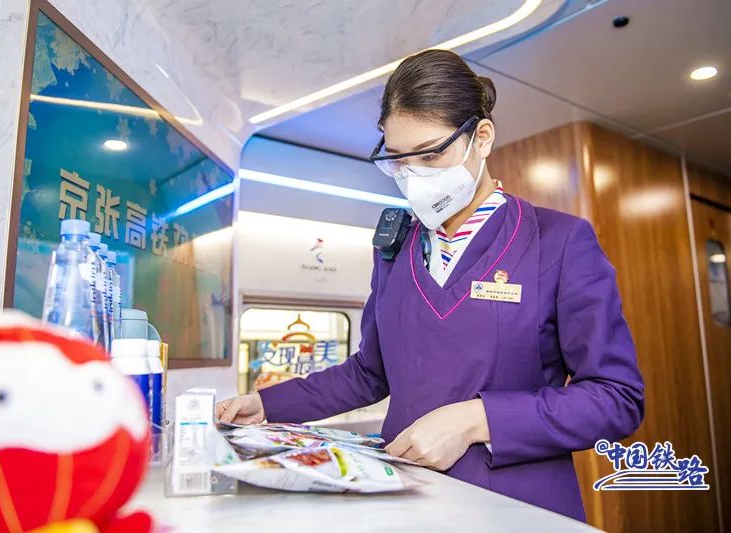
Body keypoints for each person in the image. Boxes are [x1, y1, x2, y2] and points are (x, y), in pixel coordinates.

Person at [217, 49, 644, 521]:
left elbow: (616, 397)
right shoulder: (396, 248)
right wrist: (267, 403)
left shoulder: (558, 241)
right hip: (409, 499)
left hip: (516, 506)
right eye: (398, 160)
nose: (413, 174)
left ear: (481, 138)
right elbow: (370, 373)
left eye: (431, 153)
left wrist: (477, 419)